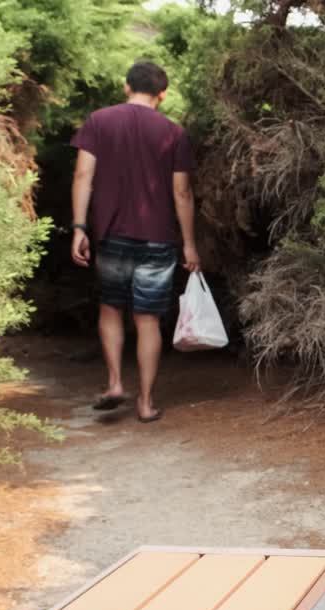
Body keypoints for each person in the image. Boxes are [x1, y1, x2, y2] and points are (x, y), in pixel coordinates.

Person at [69, 61, 199, 423]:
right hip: (158, 237)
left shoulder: (99, 121)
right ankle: (145, 402)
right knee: (148, 320)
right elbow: (182, 193)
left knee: (111, 308)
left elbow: (82, 175)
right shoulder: (173, 133)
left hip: (111, 233)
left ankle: (114, 383)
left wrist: (79, 227)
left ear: (126, 86)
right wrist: (189, 244)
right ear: (163, 94)